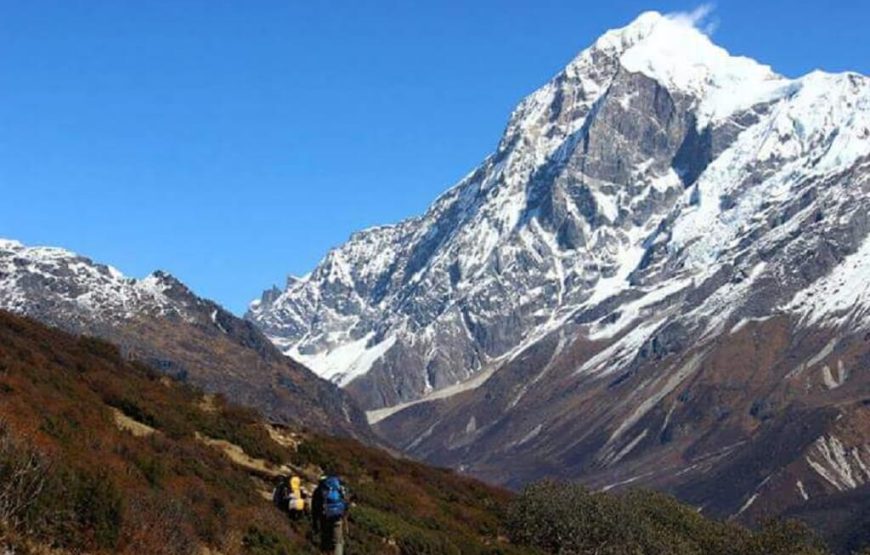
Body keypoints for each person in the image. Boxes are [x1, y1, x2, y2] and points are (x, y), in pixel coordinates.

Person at [311, 474, 349, 555]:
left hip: (324, 517)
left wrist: (315, 522)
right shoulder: (338, 488)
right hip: (338, 516)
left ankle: (325, 552)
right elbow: (345, 502)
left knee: (325, 538)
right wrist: (344, 514)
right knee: (338, 541)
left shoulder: (318, 491)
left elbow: (314, 508)